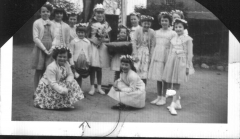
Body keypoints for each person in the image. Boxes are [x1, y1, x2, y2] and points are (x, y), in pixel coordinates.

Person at [33, 45, 84, 109]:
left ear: (67, 57)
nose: (62, 59)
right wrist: (62, 90)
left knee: (73, 82)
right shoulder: (51, 67)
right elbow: (52, 83)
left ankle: (65, 103)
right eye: (60, 56)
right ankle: (55, 103)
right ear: (55, 57)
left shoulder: (66, 64)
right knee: (61, 90)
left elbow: (70, 74)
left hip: (58, 82)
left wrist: (68, 82)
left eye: (64, 57)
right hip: (48, 86)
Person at [162, 19, 194, 115]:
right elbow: (171, 51)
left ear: (184, 28)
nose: (178, 29)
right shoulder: (173, 39)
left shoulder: (188, 39)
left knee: (177, 84)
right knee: (172, 83)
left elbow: (190, 54)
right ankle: (177, 103)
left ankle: (173, 104)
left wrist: (188, 67)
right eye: (176, 27)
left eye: (180, 27)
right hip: (172, 61)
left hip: (181, 62)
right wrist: (168, 64)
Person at [148, 12, 177, 105]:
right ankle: (158, 96)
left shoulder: (173, 33)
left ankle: (164, 98)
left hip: (167, 55)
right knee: (158, 77)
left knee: (165, 78)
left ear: (170, 22)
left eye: (166, 21)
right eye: (162, 20)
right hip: (157, 55)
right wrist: (152, 55)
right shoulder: (156, 32)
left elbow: (174, 46)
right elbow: (153, 45)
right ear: (160, 22)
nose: (164, 22)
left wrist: (172, 57)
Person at [86, 4, 112, 95]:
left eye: (101, 12)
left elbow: (108, 38)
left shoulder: (106, 24)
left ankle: (99, 87)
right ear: (94, 13)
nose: (100, 14)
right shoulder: (91, 23)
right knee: (93, 67)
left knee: (99, 68)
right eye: (98, 12)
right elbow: (87, 36)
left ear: (103, 13)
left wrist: (102, 39)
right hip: (93, 47)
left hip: (102, 47)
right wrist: (93, 41)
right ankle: (92, 87)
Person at [31, 3, 54, 91]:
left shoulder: (52, 24)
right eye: (43, 11)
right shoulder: (37, 23)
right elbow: (35, 38)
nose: (45, 13)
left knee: (48, 70)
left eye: (47, 11)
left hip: (50, 49)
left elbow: (55, 38)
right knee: (39, 70)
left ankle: (45, 91)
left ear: (50, 13)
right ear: (40, 13)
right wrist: (44, 49)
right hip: (41, 48)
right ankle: (36, 90)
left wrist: (52, 48)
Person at [132, 15, 156, 85]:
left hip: (146, 53)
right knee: (136, 69)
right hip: (138, 51)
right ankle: (135, 88)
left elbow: (152, 45)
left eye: (148, 24)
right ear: (141, 23)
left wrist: (151, 56)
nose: (146, 25)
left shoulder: (152, 32)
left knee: (144, 71)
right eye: (145, 23)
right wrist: (135, 54)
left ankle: (143, 89)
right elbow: (134, 41)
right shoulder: (137, 30)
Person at [69, 23, 91, 87]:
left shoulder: (87, 42)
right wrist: (71, 62)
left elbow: (89, 53)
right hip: (76, 61)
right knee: (75, 75)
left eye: (82, 32)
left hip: (84, 62)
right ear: (76, 32)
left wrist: (89, 61)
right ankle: (74, 89)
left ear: (85, 33)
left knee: (80, 75)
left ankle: (79, 89)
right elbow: (71, 52)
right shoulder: (73, 41)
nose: (81, 34)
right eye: (79, 32)